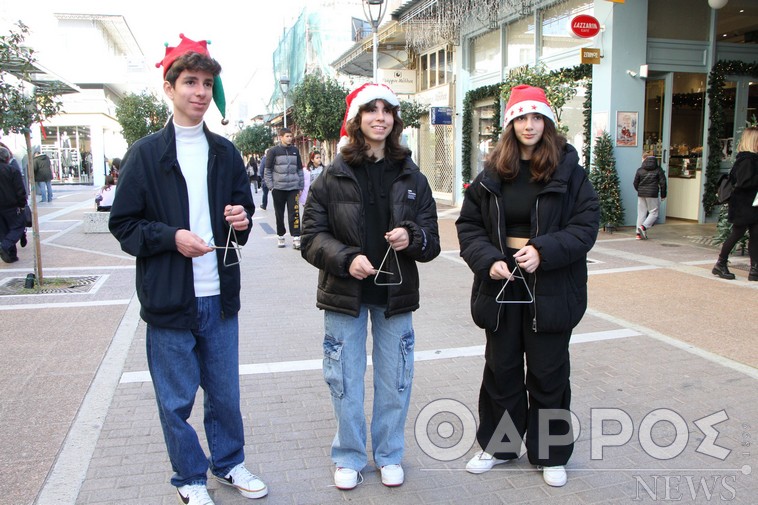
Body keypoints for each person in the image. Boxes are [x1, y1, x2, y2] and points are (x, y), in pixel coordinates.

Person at [108, 34, 267, 504]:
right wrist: (170, 237)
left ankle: (230, 463)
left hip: (219, 296)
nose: (200, 91)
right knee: (176, 402)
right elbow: (124, 225)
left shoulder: (225, 153)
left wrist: (241, 219)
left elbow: (243, 216)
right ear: (170, 87)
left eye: (207, 83)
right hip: (168, 299)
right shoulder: (144, 154)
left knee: (224, 395)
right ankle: (190, 479)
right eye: (190, 82)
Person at [455, 84, 599, 488]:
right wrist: (488, 261)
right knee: (501, 371)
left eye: (537, 117)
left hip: (551, 288)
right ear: (510, 124)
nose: (529, 125)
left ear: (548, 122)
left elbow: (585, 227)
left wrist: (543, 251)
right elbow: (469, 226)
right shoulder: (491, 173)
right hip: (502, 287)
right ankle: (500, 447)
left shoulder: (569, 171)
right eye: (521, 117)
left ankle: (551, 454)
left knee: (548, 372)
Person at [300, 83, 440, 491]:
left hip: (395, 295)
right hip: (346, 295)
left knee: (396, 377)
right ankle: (348, 455)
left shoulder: (412, 175)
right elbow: (310, 236)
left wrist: (412, 237)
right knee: (343, 377)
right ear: (357, 120)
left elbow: (430, 237)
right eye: (371, 110)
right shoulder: (333, 174)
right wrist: (346, 259)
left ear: (395, 119)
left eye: (387, 110)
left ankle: (390, 453)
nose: (380, 117)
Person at [712, 126, 758, 281]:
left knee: (755, 235)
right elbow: (744, 183)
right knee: (737, 233)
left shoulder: (749, 159)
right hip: (744, 205)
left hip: (750, 205)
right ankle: (720, 263)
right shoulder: (747, 159)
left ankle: (754, 269)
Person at [264, 128, 303, 249]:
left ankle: (296, 237)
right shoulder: (273, 151)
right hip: (278, 188)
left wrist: (300, 186)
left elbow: (300, 170)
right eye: (287, 136)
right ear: (281, 137)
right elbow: (267, 171)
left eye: (291, 136)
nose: (290, 138)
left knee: (295, 213)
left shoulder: (295, 151)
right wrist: (271, 187)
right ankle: (280, 236)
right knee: (279, 214)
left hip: (293, 188)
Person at [0, 146, 27, 263]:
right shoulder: (12, 170)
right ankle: (5, 247)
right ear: (7, 158)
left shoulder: (11, 170)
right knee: (18, 227)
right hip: (11, 205)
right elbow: (20, 189)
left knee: (4, 230)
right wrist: (22, 204)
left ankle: (11, 255)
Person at [633, 151, 667, 239]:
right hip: (653, 194)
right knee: (654, 213)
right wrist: (663, 195)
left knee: (641, 213)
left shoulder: (640, 170)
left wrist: (640, 190)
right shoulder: (658, 169)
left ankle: (638, 234)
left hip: (641, 194)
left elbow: (635, 183)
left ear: (644, 159)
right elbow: (663, 183)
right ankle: (643, 227)